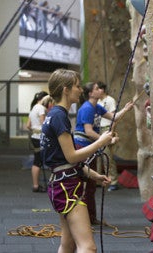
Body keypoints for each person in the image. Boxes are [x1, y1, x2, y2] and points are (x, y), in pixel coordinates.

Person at [40, 69, 114, 253]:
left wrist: (94, 175)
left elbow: (66, 160)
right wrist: (100, 142)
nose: (80, 90)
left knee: (69, 244)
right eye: (77, 86)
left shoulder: (55, 115)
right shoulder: (59, 116)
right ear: (66, 89)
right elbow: (71, 156)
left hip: (62, 184)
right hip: (67, 187)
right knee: (88, 247)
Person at [73, 81, 133, 224]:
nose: (101, 90)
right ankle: (83, 218)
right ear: (91, 93)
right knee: (85, 183)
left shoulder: (96, 106)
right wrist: (105, 140)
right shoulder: (87, 108)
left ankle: (91, 218)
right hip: (82, 146)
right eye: (97, 88)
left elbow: (114, 117)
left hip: (89, 146)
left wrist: (125, 109)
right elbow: (88, 131)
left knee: (91, 184)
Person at [97, 82, 119, 192]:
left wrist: (111, 132)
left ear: (103, 89)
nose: (96, 90)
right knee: (98, 157)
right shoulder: (97, 101)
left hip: (107, 128)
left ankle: (113, 181)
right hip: (98, 129)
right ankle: (98, 179)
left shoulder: (110, 100)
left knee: (108, 156)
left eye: (98, 88)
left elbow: (114, 117)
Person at [27, 91, 49, 192]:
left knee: (37, 161)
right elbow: (43, 124)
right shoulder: (41, 108)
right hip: (40, 137)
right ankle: (37, 185)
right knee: (41, 161)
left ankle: (35, 184)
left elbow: (28, 125)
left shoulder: (33, 108)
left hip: (34, 137)